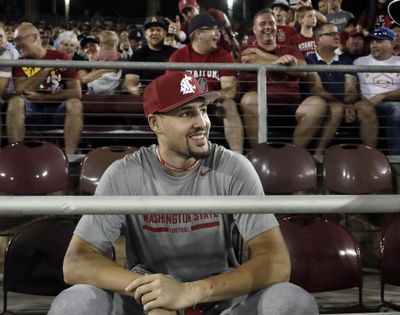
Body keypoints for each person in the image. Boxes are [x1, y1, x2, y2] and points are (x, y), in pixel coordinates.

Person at [48, 71, 319, 315]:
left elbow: (276, 262)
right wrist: (154, 292)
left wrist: (190, 292)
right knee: (73, 303)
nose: (202, 122)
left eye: (202, 110)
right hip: (147, 304)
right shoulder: (124, 174)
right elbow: (76, 262)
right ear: (156, 123)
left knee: (291, 299)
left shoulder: (234, 167)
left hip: (219, 300)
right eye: (187, 114)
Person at [239, 9, 327, 149]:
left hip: (291, 104)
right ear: (254, 29)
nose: (268, 27)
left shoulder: (290, 49)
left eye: (271, 23)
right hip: (260, 104)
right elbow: (249, 60)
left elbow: (303, 70)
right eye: (262, 24)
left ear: (277, 27)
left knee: (318, 104)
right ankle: (260, 155)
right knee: (249, 99)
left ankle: (293, 155)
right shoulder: (247, 49)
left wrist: (269, 59)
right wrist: (284, 65)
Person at [168, 13, 244, 153]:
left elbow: (229, 91)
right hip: (188, 105)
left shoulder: (223, 55)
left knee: (229, 104)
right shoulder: (178, 56)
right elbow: (172, 90)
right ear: (198, 34)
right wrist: (195, 101)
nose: (218, 34)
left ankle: (238, 158)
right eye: (212, 29)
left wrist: (207, 98)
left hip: (215, 105)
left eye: (217, 29)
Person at [7, 22, 82, 154]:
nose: (16, 45)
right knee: (15, 102)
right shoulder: (20, 62)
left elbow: (76, 91)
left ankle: (69, 159)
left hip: (57, 109)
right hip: (32, 110)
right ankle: (16, 155)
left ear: (35, 38)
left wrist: (43, 97)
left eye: (19, 40)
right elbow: (21, 89)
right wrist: (46, 69)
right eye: (14, 41)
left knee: (75, 104)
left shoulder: (60, 57)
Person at [306, 22, 364, 154]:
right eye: (331, 34)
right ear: (318, 40)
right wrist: (341, 104)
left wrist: (348, 103)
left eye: (337, 33)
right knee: (337, 109)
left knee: (368, 109)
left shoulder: (346, 60)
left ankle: (371, 156)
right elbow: (316, 88)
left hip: (342, 102)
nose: (337, 36)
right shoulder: (309, 59)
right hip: (320, 103)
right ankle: (318, 155)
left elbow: (351, 88)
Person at [354, 27, 400, 154]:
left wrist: (383, 96)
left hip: (392, 104)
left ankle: (396, 160)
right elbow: (354, 88)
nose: (374, 45)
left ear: (392, 43)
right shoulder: (359, 62)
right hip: (365, 104)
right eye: (372, 41)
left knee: (396, 109)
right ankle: (371, 158)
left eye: (380, 41)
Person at [125, 16, 177, 96]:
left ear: (164, 33)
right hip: (147, 98)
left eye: (158, 30)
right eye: (151, 30)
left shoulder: (175, 53)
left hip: (172, 97)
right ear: (145, 34)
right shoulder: (138, 54)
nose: (155, 33)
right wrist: (134, 89)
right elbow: (131, 80)